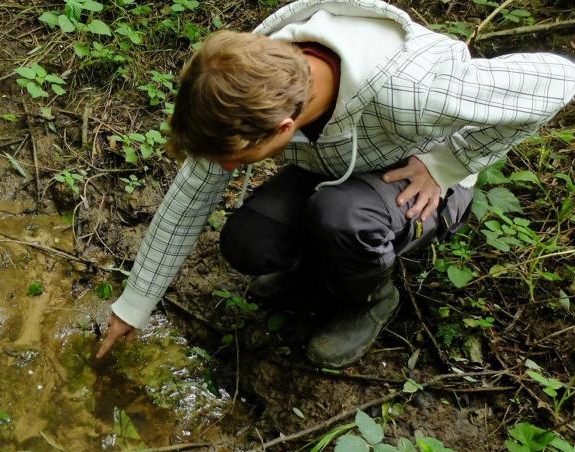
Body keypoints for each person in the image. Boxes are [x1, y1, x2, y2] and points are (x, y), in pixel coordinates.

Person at [96, 0, 575, 367]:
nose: (224, 171)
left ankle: (369, 299)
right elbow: (187, 199)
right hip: (340, 164)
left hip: (414, 177)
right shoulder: (248, 83)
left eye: (233, 161)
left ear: (284, 128)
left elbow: (558, 79)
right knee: (248, 241)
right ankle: (319, 270)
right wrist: (132, 307)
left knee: (342, 219)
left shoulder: (414, 90)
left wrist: (448, 163)